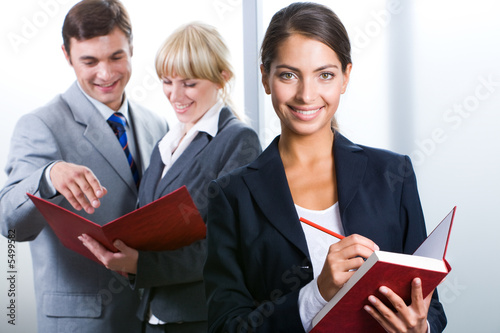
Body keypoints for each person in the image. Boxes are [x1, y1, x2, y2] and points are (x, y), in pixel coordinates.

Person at [203, 2, 447, 333]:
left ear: (346, 77)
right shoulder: (231, 196)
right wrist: (317, 294)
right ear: (265, 78)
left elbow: (431, 306)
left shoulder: (393, 174)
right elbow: (225, 327)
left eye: (325, 75)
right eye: (289, 75)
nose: (306, 95)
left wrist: (421, 328)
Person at [79, 22, 262, 332]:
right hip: (151, 315)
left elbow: (229, 246)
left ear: (222, 77)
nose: (175, 95)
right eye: (167, 81)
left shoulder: (237, 140)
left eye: (189, 83)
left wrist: (141, 264)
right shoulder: (168, 140)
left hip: (198, 319)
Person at [0, 0, 167, 332]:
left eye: (116, 57)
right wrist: (48, 176)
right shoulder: (40, 124)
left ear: (132, 47)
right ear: (67, 56)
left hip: (152, 316)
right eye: (89, 61)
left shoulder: (156, 124)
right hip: (84, 321)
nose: (105, 74)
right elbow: (10, 223)